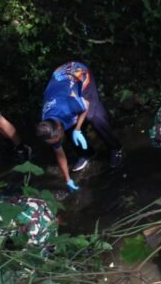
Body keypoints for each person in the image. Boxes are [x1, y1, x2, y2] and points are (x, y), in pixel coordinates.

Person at [35, 62, 123, 193]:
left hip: (79, 73)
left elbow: (86, 104)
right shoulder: (47, 127)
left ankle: (115, 148)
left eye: (58, 139)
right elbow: (59, 153)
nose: (58, 143)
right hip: (61, 82)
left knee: (93, 115)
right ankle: (86, 153)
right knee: (70, 127)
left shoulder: (67, 107)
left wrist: (78, 128)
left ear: (59, 129)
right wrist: (67, 179)